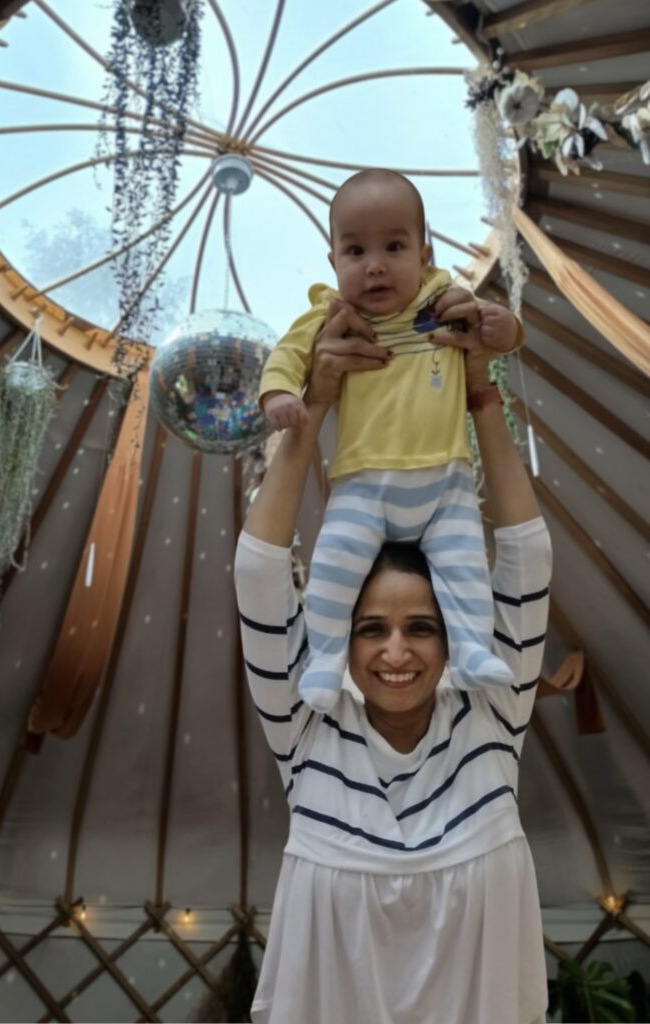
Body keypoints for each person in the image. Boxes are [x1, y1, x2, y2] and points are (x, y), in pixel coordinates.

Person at [234, 312, 552, 1023]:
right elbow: (258, 575)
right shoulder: (306, 730)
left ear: (454, 636)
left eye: (422, 629)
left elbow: (525, 556)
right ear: (342, 642)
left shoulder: (494, 715)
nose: (396, 652)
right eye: (370, 629)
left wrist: (479, 395)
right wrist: (313, 403)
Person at [258, 169, 525, 714]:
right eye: (355, 250)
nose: (375, 264)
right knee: (333, 569)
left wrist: (501, 330)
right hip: (362, 485)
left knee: (466, 567)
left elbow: (500, 333)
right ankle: (327, 658)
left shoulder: (441, 299)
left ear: (425, 255)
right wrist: (282, 395)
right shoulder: (333, 316)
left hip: (447, 482)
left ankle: (473, 648)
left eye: (394, 246)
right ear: (334, 263)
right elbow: (284, 357)